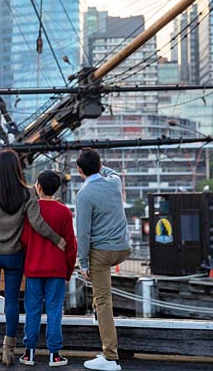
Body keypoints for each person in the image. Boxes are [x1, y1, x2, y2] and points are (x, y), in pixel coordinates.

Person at [0, 150, 67, 366]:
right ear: (17, 168)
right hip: (13, 256)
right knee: (12, 302)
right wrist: (57, 239)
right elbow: (38, 223)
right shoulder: (28, 194)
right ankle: (8, 349)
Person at [75, 149, 131, 371]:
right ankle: (97, 309)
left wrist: (83, 263)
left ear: (79, 171)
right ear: (100, 166)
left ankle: (110, 357)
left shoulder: (84, 195)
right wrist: (99, 165)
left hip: (102, 253)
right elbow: (111, 172)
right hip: (123, 249)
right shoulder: (114, 182)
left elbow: (84, 233)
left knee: (104, 300)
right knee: (101, 296)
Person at [19, 170, 76, 367]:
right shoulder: (64, 212)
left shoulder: (31, 210)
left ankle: (29, 353)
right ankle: (54, 354)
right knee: (54, 311)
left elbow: (24, 240)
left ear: (39, 187)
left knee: (32, 310)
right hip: (56, 269)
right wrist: (68, 270)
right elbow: (71, 244)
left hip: (34, 268)